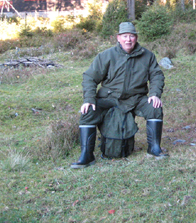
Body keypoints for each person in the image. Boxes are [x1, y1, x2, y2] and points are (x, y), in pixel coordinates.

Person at [71, 22, 167, 169]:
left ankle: (154, 149)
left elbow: (157, 75)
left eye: (132, 36)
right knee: (88, 112)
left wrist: (154, 94)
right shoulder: (106, 56)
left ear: (136, 38)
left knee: (154, 107)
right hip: (109, 98)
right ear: (118, 38)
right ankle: (86, 155)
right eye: (125, 36)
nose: (128, 39)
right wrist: (89, 99)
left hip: (136, 98)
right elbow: (89, 77)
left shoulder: (147, 56)